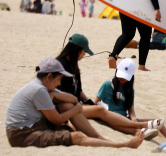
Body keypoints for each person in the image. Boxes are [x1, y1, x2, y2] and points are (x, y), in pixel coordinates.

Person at [5, 57, 144, 149]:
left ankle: (99, 139)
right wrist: (77, 108)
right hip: (22, 134)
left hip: (31, 126)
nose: (59, 83)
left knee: (66, 108)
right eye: (58, 79)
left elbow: (72, 99)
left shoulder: (44, 87)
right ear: (49, 77)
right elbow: (58, 118)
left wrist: (57, 95)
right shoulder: (40, 90)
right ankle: (122, 144)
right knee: (77, 136)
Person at [56, 35, 163, 140]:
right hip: (64, 108)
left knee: (101, 110)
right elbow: (58, 93)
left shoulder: (73, 65)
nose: (84, 55)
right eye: (84, 51)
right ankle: (140, 126)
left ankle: (136, 129)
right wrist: (78, 103)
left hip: (74, 105)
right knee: (100, 110)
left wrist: (88, 101)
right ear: (77, 50)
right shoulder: (60, 66)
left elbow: (78, 90)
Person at [97, 58, 166, 143]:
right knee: (137, 126)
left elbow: (131, 110)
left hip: (125, 118)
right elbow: (95, 102)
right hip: (111, 118)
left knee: (159, 122)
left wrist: (133, 119)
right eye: (120, 75)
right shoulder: (107, 85)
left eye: (125, 77)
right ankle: (142, 132)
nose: (122, 79)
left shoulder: (130, 91)